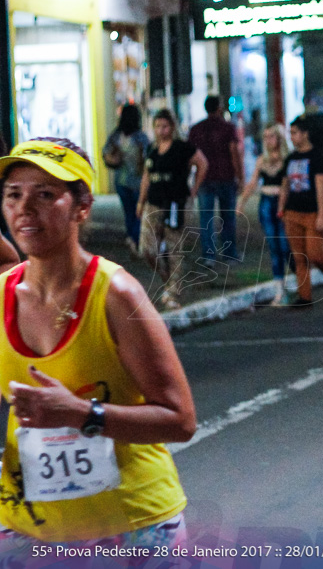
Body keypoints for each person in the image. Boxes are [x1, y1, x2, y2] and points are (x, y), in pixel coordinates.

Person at [0, 137, 195, 553]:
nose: (24, 209)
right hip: (27, 530)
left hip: (133, 530)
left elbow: (180, 420)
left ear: (81, 206)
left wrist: (81, 414)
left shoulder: (117, 295)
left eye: (45, 194)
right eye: (13, 195)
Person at [137, 110, 208, 310]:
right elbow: (146, 175)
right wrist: (140, 202)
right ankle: (167, 277)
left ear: (172, 127)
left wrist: (193, 190)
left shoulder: (182, 148)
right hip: (153, 202)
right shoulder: (152, 148)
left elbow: (202, 163)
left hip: (175, 203)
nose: (161, 130)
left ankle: (173, 291)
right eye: (157, 126)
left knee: (174, 247)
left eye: (165, 126)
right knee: (146, 249)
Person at [278, 115, 323, 307]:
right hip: (292, 212)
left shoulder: (318, 157)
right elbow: (285, 185)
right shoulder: (290, 158)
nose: (291, 137)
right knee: (299, 257)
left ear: (305, 134)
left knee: (315, 254)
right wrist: (281, 208)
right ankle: (305, 297)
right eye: (290, 133)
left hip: (313, 212)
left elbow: (321, 187)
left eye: (295, 133)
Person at [239, 124, 291, 305]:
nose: (269, 141)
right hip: (266, 203)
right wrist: (241, 202)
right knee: (274, 246)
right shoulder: (262, 160)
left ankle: (297, 278)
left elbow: (288, 184)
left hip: (284, 203)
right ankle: (280, 290)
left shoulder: (287, 159)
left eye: (272, 137)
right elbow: (253, 183)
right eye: (266, 137)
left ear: (279, 138)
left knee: (286, 245)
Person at [188, 95, 243, 266]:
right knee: (228, 217)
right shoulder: (228, 128)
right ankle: (229, 253)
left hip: (204, 178)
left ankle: (209, 255)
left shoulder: (196, 129)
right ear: (219, 108)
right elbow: (234, 153)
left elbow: (190, 156)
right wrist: (240, 176)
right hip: (225, 176)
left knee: (206, 219)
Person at [102, 104, 149, 254]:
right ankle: (135, 240)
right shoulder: (141, 137)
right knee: (139, 213)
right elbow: (148, 157)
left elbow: (105, 152)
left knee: (129, 212)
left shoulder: (116, 136)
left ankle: (131, 238)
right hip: (138, 181)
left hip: (121, 181)